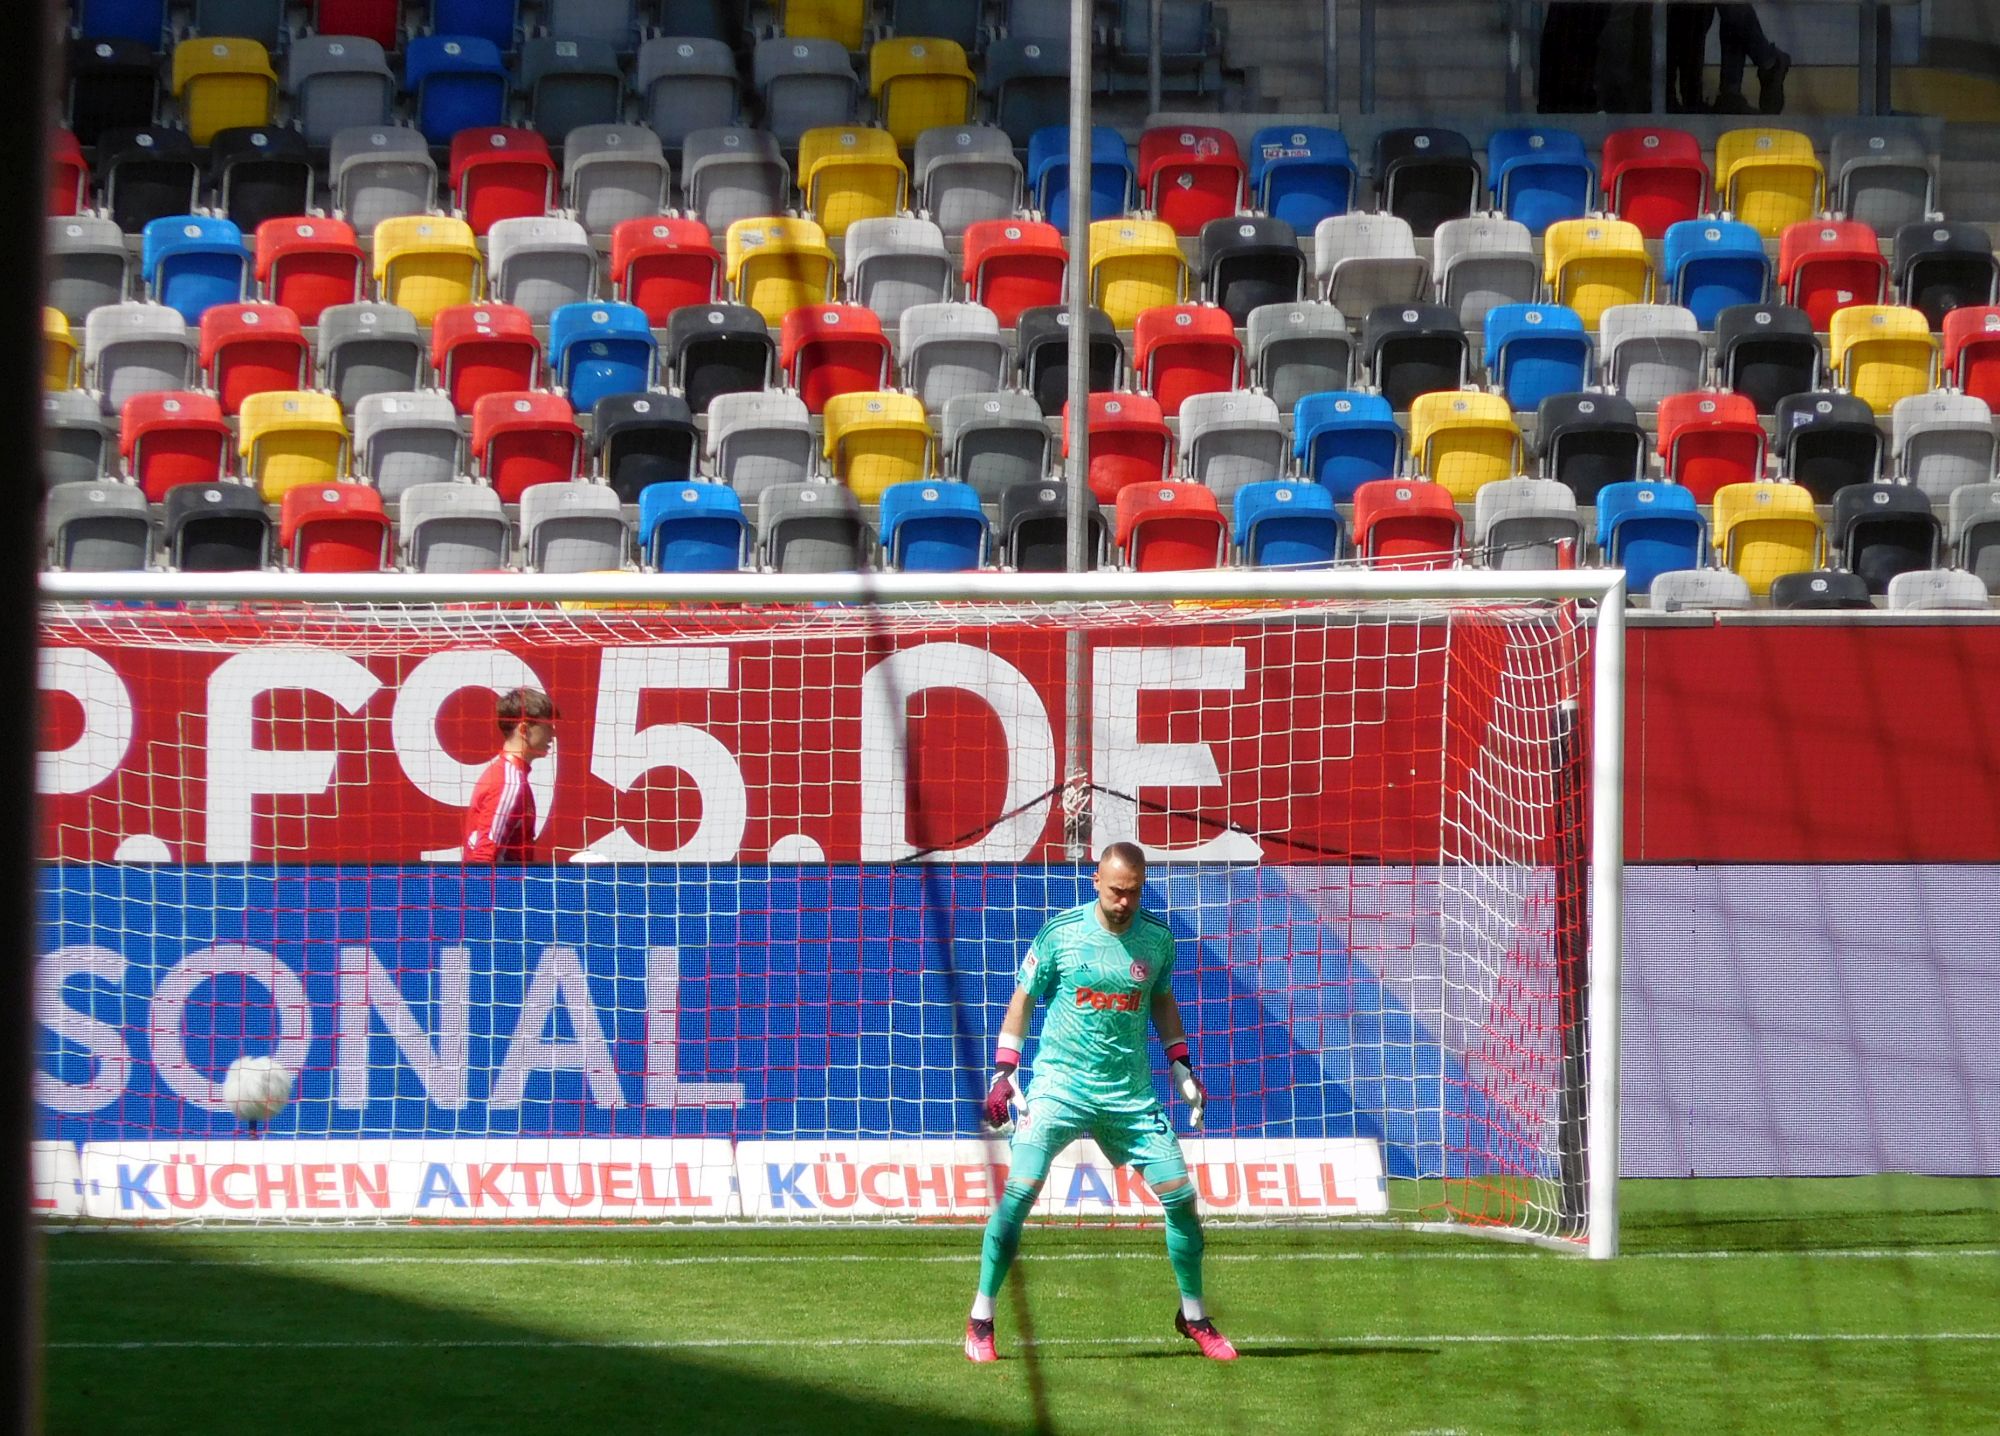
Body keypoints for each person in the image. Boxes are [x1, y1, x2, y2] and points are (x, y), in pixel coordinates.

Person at [963, 842, 1236, 1363]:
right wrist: (1004, 1070)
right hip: (1059, 1087)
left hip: (1128, 1094)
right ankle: (981, 1319)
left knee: (1180, 1198)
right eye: (1116, 891)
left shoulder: (1156, 939)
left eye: (1133, 892)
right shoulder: (1062, 933)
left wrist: (1180, 1063)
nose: (1124, 902)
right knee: (1017, 1194)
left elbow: (1160, 996)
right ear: (1096, 881)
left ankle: (1194, 1316)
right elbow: (1023, 996)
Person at [462, 687, 555, 864]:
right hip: (499, 890)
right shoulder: (508, 782)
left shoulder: (511, 776)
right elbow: (484, 855)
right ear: (524, 730)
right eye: (547, 727)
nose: (553, 734)